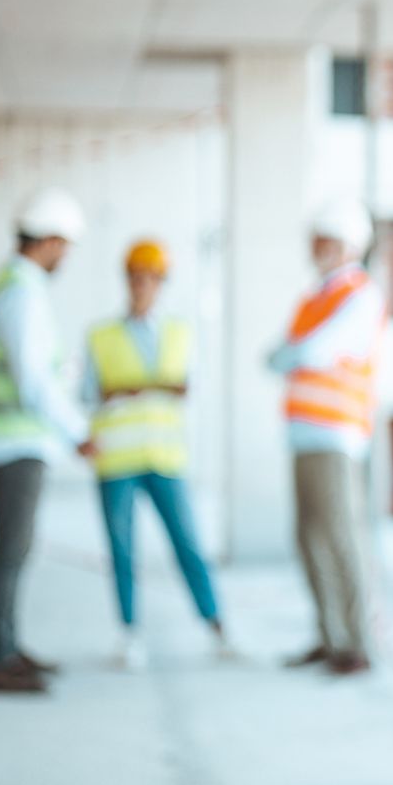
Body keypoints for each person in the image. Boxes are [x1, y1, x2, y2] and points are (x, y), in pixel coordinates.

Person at [81, 239, 233, 670]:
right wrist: (129, 390)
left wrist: (151, 388)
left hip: (165, 458)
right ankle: (129, 633)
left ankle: (216, 626)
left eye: (151, 278)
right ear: (126, 281)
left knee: (188, 544)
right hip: (117, 460)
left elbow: (192, 387)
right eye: (135, 278)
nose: (142, 286)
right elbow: (87, 393)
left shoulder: (180, 333)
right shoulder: (101, 336)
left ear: (162, 283)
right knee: (122, 550)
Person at [0, 186, 94, 695]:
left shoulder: (16, 285)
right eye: (64, 244)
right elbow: (32, 381)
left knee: (16, 548)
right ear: (47, 240)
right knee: (11, 549)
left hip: (15, 439)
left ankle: (8, 648)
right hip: (13, 441)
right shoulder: (20, 291)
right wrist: (78, 433)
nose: (65, 256)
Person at [268, 199, 385, 676]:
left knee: (341, 537)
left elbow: (312, 351)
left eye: (325, 239)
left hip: (337, 436)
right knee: (309, 538)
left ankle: (356, 643)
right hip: (304, 435)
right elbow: (282, 355)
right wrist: (293, 354)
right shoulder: (314, 297)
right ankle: (329, 635)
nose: (315, 248)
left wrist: (294, 354)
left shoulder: (359, 294)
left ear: (348, 245)